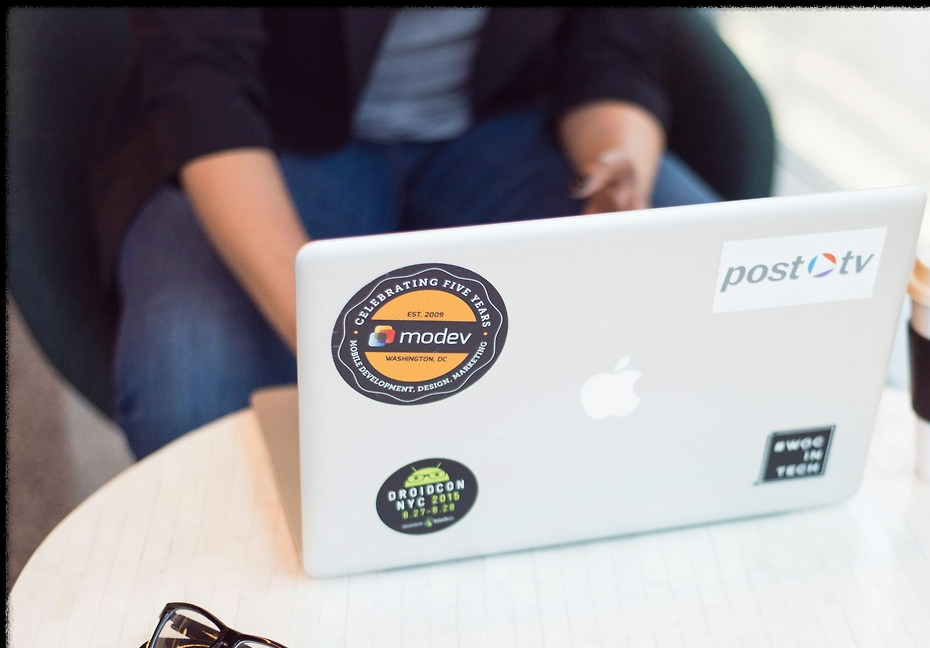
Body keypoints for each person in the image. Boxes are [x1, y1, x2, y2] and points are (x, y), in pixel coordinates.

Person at [90, 8, 719, 459]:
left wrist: (616, 169)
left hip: (500, 121)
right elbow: (202, 82)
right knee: (195, 382)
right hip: (272, 131)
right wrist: (329, 331)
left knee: (705, 302)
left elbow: (611, 52)